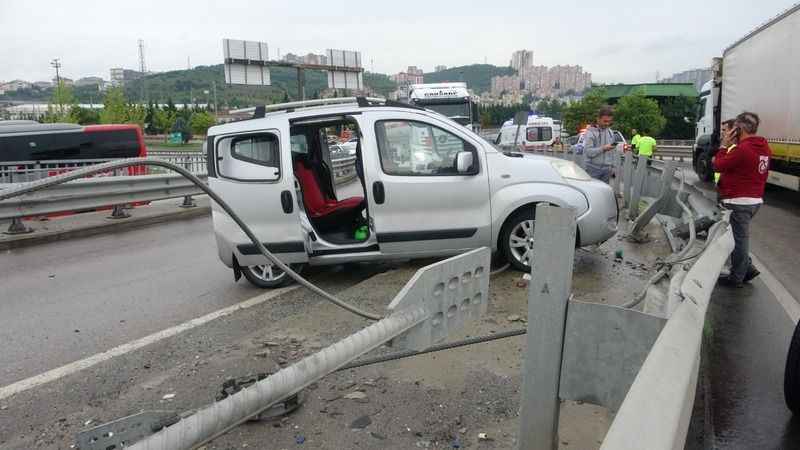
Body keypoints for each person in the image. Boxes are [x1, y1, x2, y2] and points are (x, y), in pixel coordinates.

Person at [714, 112, 772, 287]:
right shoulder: (763, 147)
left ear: (739, 129)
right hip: (754, 200)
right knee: (739, 238)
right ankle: (746, 269)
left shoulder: (742, 149)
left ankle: (737, 277)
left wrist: (724, 146)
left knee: (739, 241)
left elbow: (718, 164)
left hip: (739, 201)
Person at [583, 106, 617, 182]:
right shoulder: (591, 132)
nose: (607, 123)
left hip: (607, 170)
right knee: (593, 192)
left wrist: (613, 167)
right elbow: (588, 152)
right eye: (605, 121)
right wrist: (603, 148)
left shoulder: (610, 132)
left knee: (603, 193)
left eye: (609, 121)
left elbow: (613, 152)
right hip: (592, 169)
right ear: (598, 119)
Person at [714, 119, 736, 185]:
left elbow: (719, 166)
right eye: (721, 130)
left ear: (732, 131)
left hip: (728, 188)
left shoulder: (735, 149)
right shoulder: (725, 145)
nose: (721, 132)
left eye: (724, 130)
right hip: (721, 184)